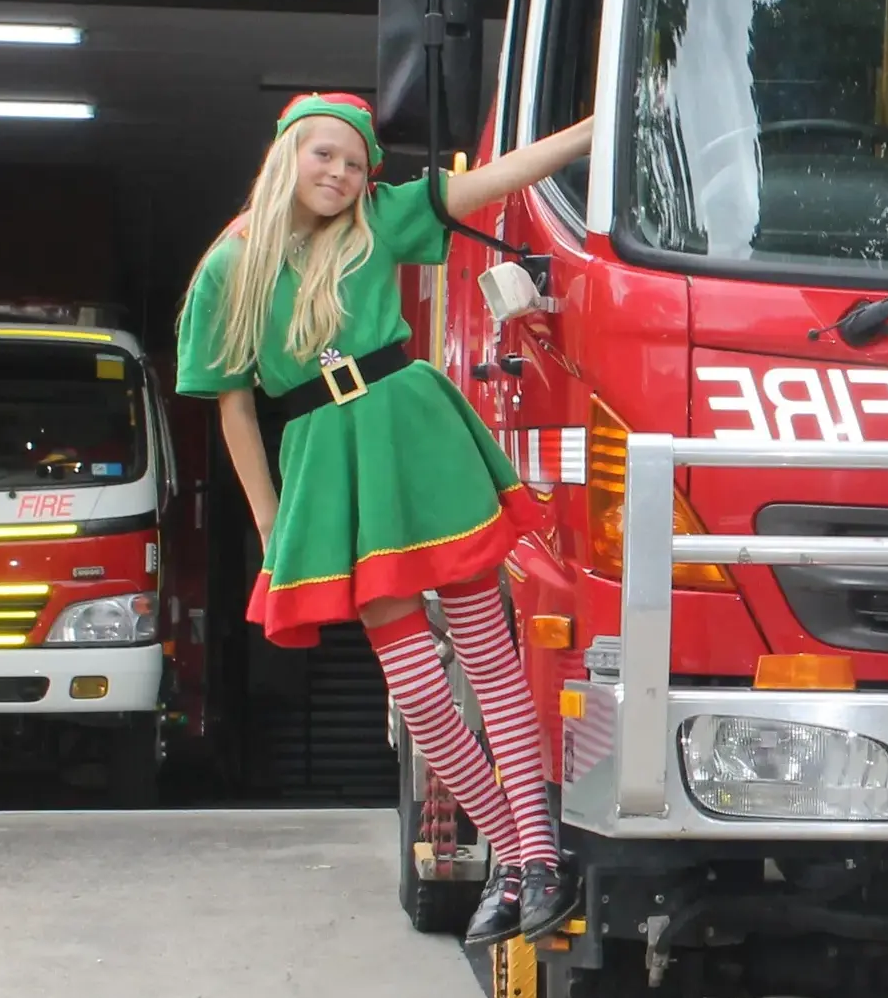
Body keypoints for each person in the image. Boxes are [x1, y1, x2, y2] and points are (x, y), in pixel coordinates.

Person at [175, 93, 594, 949]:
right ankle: (514, 854)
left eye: (356, 163)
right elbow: (234, 411)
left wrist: (600, 126)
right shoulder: (230, 265)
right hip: (329, 466)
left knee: (488, 660)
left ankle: (538, 860)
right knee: (417, 690)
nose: (339, 173)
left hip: (413, 433)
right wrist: (269, 526)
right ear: (287, 152)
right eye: (324, 155)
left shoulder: (378, 222)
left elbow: (500, 177)